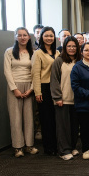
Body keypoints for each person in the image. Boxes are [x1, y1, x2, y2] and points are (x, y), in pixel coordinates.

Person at [4, 27, 37, 157]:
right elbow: (7, 71)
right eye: (19, 35)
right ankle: (18, 147)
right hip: (14, 86)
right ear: (15, 37)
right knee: (15, 117)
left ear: (29, 37)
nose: (22, 37)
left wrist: (32, 89)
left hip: (29, 86)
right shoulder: (9, 52)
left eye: (25, 35)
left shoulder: (33, 52)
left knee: (29, 117)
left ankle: (29, 145)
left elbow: (36, 72)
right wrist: (14, 89)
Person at [50, 36, 81, 160]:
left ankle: (72, 147)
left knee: (74, 126)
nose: (72, 48)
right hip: (63, 99)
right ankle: (64, 150)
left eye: (74, 46)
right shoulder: (59, 61)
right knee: (63, 126)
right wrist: (57, 97)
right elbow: (54, 80)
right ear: (64, 47)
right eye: (69, 46)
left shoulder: (80, 60)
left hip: (77, 99)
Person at [31, 26, 60, 155]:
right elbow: (35, 74)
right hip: (44, 88)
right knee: (46, 119)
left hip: (56, 87)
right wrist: (37, 92)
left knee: (55, 118)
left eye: (51, 36)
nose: (49, 38)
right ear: (41, 37)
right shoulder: (38, 53)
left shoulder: (57, 52)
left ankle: (56, 145)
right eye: (46, 35)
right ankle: (49, 147)